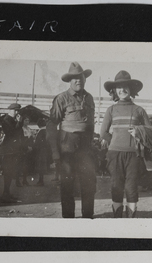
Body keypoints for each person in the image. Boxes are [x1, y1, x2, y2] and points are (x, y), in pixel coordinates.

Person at [100, 70, 152, 218]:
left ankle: (130, 222)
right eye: (119, 87)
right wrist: (117, 141)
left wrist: (139, 131)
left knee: (131, 188)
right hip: (114, 154)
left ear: (131, 90)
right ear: (114, 91)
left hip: (134, 155)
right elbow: (103, 133)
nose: (122, 90)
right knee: (116, 187)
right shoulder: (110, 110)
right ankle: (117, 220)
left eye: (126, 87)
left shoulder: (139, 110)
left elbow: (151, 133)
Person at [47, 62, 97, 218]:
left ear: (85, 79)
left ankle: (88, 218)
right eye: (74, 78)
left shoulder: (89, 98)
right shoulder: (61, 99)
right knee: (67, 184)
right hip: (68, 145)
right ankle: (68, 221)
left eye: (80, 77)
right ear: (70, 80)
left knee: (89, 183)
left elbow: (90, 124)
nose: (78, 80)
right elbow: (51, 126)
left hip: (85, 146)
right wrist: (55, 153)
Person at [0, 103, 25, 203]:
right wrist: (18, 122)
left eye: (18, 110)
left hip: (13, 150)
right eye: (15, 110)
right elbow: (12, 134)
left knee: (11, 172)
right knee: (8, 172)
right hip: (9, 150)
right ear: (9, 110)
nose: (17, 112)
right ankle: (5, 195)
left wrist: (19, 122)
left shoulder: (12, 120)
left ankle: (7, 193)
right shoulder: (6, 120)